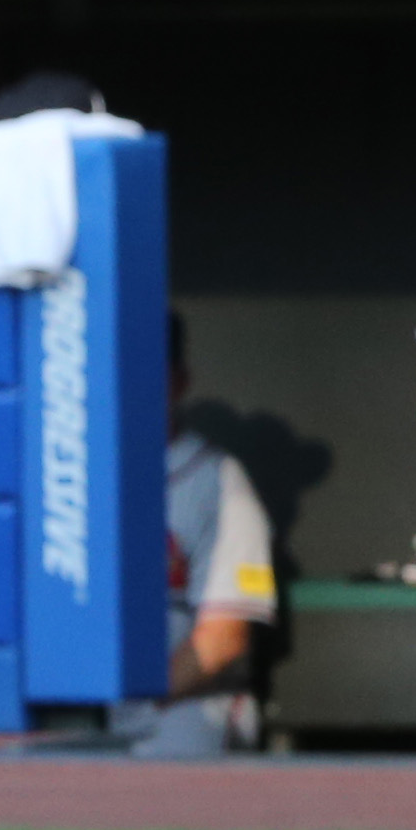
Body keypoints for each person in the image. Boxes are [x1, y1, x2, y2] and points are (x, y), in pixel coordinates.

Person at [110, 313, 277, 758]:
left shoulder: (217, 481)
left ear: (178, 382)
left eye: (147, 371)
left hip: (183, 698)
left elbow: (225, 638)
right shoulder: (68, 476)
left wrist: (138, 703)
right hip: (85, 702)